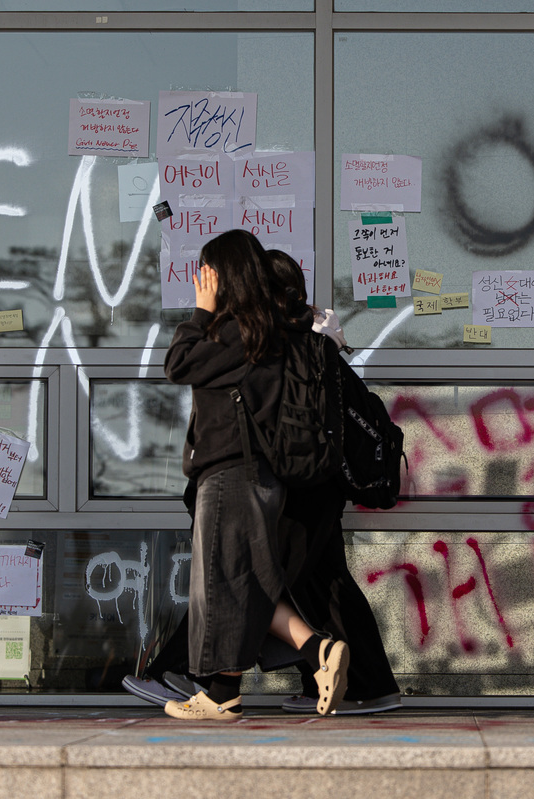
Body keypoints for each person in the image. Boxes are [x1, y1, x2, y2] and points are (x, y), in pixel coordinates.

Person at [162, 229, 349, 721]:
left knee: (224, 583)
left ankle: (227, 693)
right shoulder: (270, 331)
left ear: (226, 275)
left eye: (209, 272)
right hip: (259, 476)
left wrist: (201, 312)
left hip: (230, 473)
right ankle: (308, 656)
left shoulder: (236, 333)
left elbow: (177, 364)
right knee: (248, 584)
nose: (202, 281)